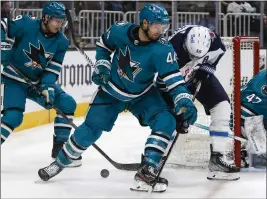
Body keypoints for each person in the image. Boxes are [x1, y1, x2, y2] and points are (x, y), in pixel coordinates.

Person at [38, 4, 197, 193]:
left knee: (166, 120)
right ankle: (59, 163)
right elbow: (104, 45)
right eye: (157, 27)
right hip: (111, 92)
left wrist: (183, 99)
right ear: (144, 23)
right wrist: (103, 65)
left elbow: (174, 79)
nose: (161, 32)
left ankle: (148, 169)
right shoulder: (119, 31)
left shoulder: (163, 49)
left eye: (164, 28)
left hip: (143, 94)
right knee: (90, 130)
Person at [0, 2, 80, 167]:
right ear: (45, 18)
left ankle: (59, 151)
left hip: (35, 82)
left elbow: (51, 70)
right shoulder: (26, 24)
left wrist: (47, 87)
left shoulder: (61, 42)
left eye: (61, 21)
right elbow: (3, 25)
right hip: (13, 79)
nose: (60, 24)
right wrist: (3, 46)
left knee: (67, 103)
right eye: (56, 21)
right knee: (13, 117)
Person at [156, 25, 240, 180]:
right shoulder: (170, 48)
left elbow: (218, 53)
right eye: (191, 54)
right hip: (175, 83)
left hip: (198, 75)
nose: (194, 58)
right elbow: (162, 84)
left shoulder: (214, 41)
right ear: (185, 44)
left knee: (222, 107)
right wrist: (178, 112)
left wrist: (206, 69)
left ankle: (218, 158)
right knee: (169, 118)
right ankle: (155, 159)